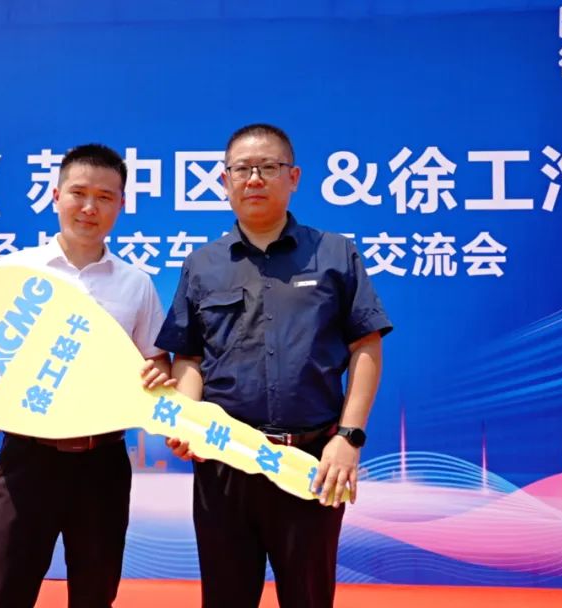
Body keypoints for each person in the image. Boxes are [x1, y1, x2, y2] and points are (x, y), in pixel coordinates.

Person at [155, 124, 392, 608]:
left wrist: (349, 438)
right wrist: (186, 419)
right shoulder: (202, 264)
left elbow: (366, 345)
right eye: (242, 169)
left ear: (294, 177)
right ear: (225, 181)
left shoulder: (334, 253)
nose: (254, 178)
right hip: (224, 463)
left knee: (308, 598)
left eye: (268, 167)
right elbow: (190, 357)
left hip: (311, 464)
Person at [0, 143, 172, 608]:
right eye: (78, 193)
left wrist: (158, 376)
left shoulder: (136, 283)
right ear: (55, 196)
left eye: (104, 197)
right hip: (28, 460)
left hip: (103, 462)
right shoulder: (14, 270)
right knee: (4, 592)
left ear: (121, 205)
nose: (89, 208)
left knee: (95, 592)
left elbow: (157, 361)